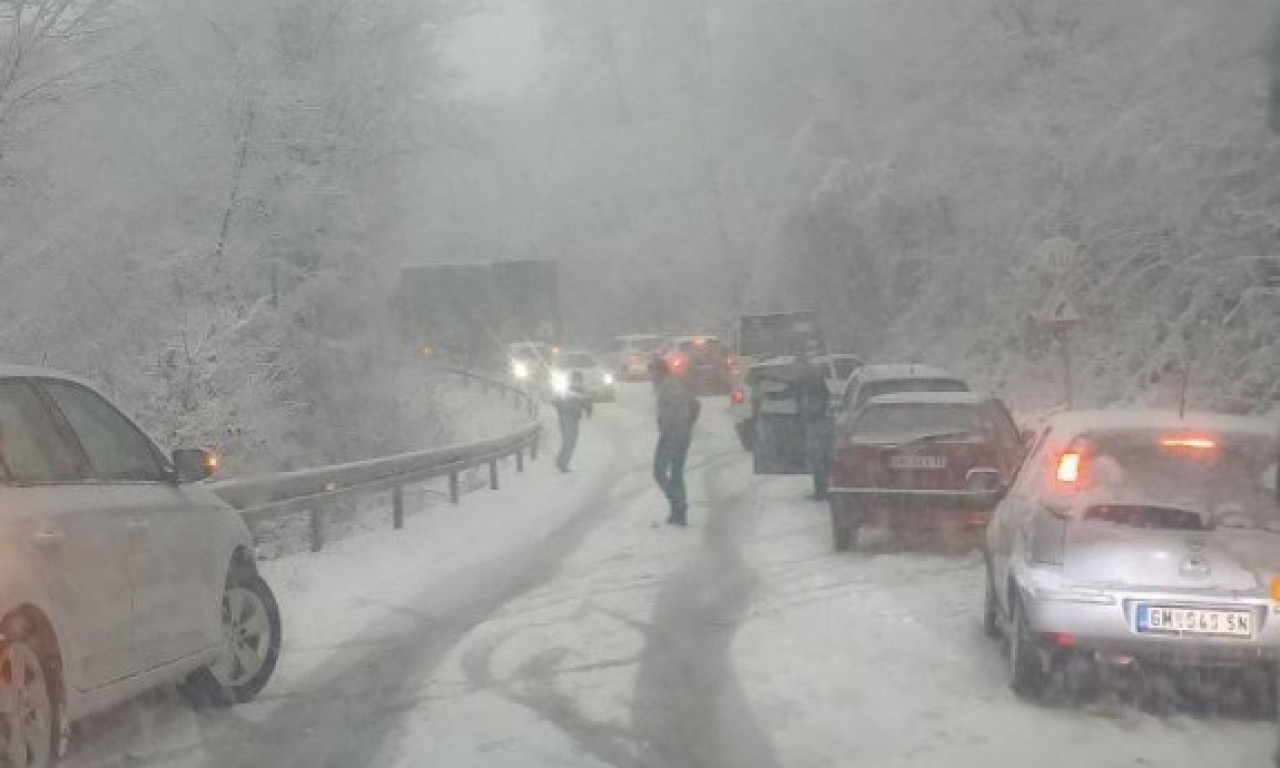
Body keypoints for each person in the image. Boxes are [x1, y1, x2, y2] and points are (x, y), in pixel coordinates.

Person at [651, 357, 700, 525]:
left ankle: (678, 506)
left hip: (674, 436)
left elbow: (680, 410)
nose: (650, 376)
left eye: (652, 372)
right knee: (674, 473)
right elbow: (694, 405)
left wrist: (673, 429)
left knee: (663, 472)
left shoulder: (668, 387)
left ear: (658, 372)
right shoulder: (668, 385)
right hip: (676, 434)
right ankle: (678, 507)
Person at [791, 354, 832, 500]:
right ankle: (823, 488)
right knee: (819, 459)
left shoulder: (808, 382)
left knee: (817, 458)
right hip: (816, 423)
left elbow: (811, 403)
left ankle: (821, 490)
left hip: (816, 423)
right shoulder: (813, 380)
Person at [552, 371, 592, 472]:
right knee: (569, 440)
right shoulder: (566, 389)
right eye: (575, 379)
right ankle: (563, 464)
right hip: (566, 417)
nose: (577, 382)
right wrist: (561, 409)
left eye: (579, 380)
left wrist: (588, 409)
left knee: (570, 440)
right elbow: (555, 400)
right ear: (571, 380)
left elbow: (587, 401)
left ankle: (561, 460)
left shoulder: (582, 390)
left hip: (574, 417)